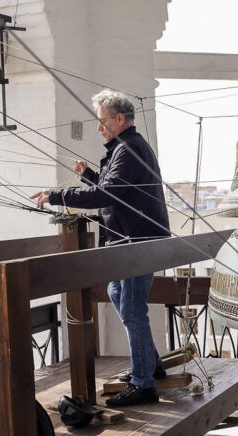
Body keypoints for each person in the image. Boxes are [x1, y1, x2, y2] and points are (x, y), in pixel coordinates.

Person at [32, 90, 171, 408]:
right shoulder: (126, 148)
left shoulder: (129, 149)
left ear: (119, 119)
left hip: (136, 242)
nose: (99, 128)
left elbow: (108, 195)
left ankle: (143, 384)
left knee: (132, 308)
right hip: (130, 240)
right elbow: (116, 190)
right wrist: (88, 176)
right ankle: (151, 365)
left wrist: (58, 195)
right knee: (118, 293)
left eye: (102, 121)